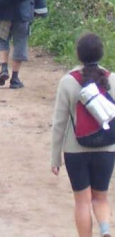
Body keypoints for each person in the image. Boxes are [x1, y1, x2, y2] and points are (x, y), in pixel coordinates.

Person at [51, 33, 115, 237]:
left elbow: (59, 123)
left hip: (75, 149)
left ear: (78, 54)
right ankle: (105, 229)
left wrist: (55, 158)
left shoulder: (68, 82)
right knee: (101, 198)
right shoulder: (112, 79)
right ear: (101, 53)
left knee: (82, 201)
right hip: (106, 148)